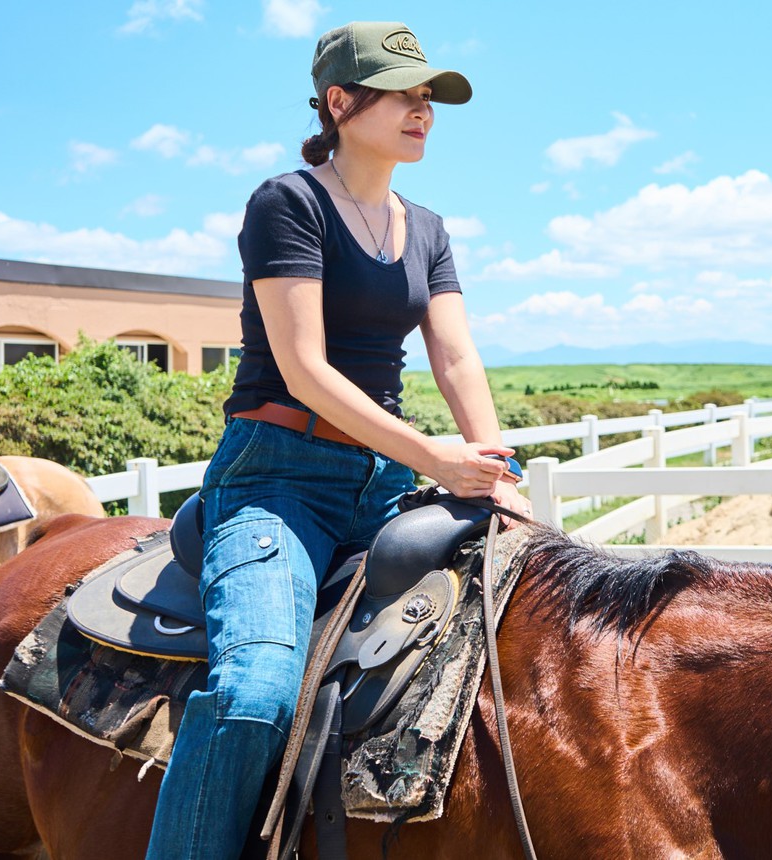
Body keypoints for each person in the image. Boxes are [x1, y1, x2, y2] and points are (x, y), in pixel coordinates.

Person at [145, 21, 530, 859]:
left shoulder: (425, 226)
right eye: (403, 94)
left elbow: (457, 355)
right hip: (277, 479)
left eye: (429, 99)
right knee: (255, 691)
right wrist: (436, 459)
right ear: (339, 100)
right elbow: (304, 367)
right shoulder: (289, 202)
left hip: (385, 482)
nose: (422, 111)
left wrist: (494, 469)